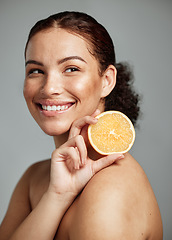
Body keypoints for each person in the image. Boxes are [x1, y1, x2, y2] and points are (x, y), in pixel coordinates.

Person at [0, 11, 163, 240]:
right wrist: (57, 196)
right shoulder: (34, 178)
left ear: (106, 81)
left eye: (71, 69)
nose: (49, 88)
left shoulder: (111, 188)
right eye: (36, 71)